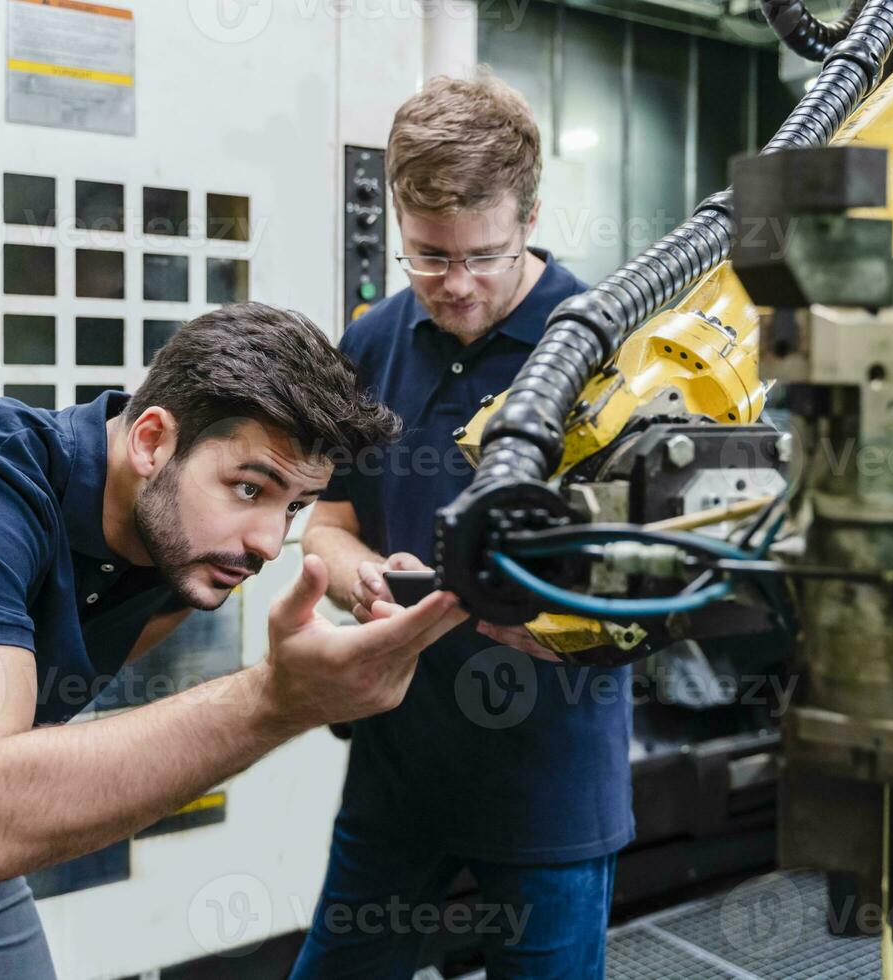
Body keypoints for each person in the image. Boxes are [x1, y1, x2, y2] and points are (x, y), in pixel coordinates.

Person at [0, 302, 466, 976]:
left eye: (295, 507)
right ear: (151, 441)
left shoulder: (178, 551)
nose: (269, 543)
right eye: (249, 487)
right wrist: (278, 699)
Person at [291, 73, 633, 979]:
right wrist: (364, 574)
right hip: (397, 766)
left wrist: (559, 623)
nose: (455, 285)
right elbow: (326, 520)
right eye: (428, 256)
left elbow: (656, 578)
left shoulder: (609, 354)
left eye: (481, 256)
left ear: (529, 216)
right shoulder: (372, 342)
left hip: (548, 778)